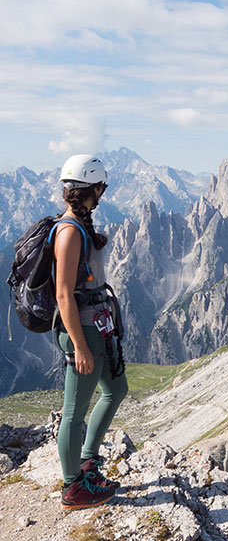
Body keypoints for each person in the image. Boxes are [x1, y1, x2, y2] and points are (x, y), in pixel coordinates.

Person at [53, 154, 128, 511]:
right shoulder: (68, 232)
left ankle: (87, 462)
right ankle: (73, 488)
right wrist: (80, 347)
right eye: (101, 188)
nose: (102, 194)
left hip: (98, 325)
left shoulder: (80, 228)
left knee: (117, 388)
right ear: (91, 189)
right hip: (82, 330)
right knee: (74, 412)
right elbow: (63, 294)